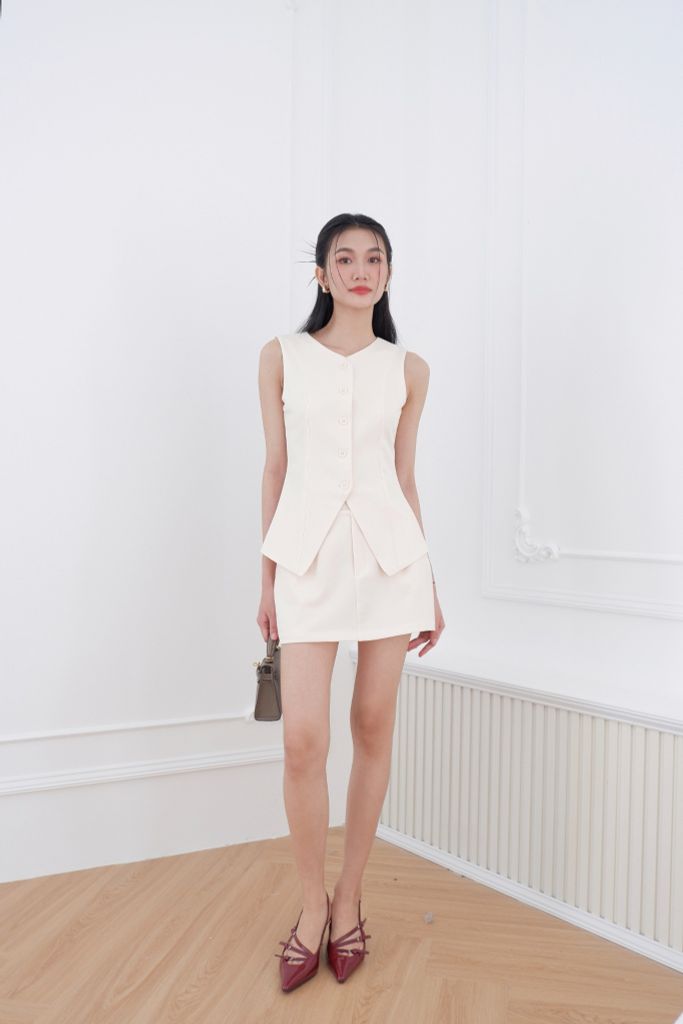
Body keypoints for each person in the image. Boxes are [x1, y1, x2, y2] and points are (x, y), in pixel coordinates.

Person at [257, 212, 445, 992]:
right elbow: (275, 468)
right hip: (304, 562)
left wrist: (429, 587)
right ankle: (310, 906)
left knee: (372, 727)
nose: (360, 270)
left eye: (374, 258)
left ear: (388, 273)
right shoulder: (281, 356)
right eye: (345, 258)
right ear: (321, 273)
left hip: (390, 564)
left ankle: (348, 898)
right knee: (302, 742)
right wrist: (266, 579)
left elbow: (404, 479)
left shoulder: (409, 368)